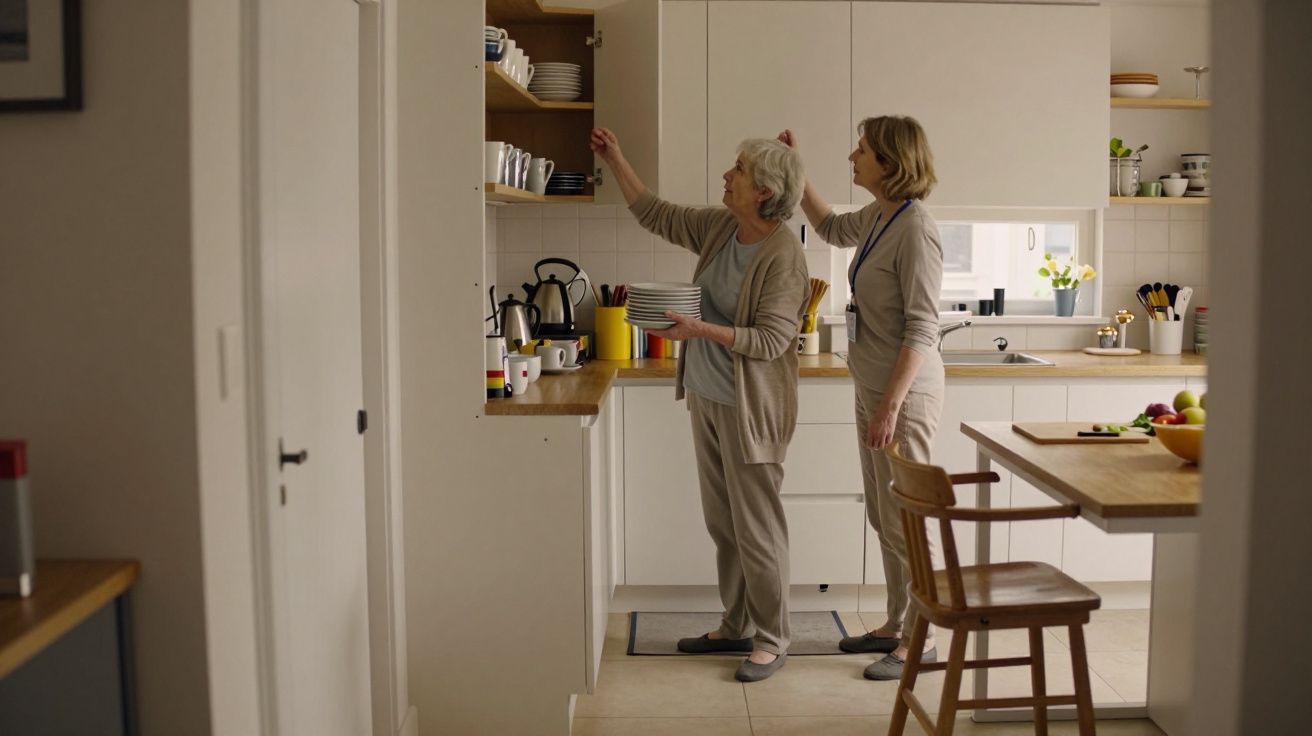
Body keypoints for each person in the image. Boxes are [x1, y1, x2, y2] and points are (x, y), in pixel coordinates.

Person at [590, 127, 809, 682]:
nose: (726, 176)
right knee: (723, 523)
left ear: (764, 189)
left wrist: (701, 329)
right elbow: (655, 213)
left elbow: (771, 340)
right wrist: (616, 157)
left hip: (750, 409)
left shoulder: (784, 254)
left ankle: (773, 637)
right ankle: (734, 624)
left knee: (757, 528)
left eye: (737, 170)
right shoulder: (721, 228)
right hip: (708, 398)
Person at [779, 116, 945, 681]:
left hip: (904, 396)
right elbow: (828, 227)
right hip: (872, 386)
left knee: (907, 520)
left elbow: (923, 328)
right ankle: (897, 623)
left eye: (863, 150)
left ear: (891, 162)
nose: (853, 156)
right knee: (882, 514)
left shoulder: (916, 228)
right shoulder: (880, 216)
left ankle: (923, 640)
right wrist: (798, 171)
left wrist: (891, 405)